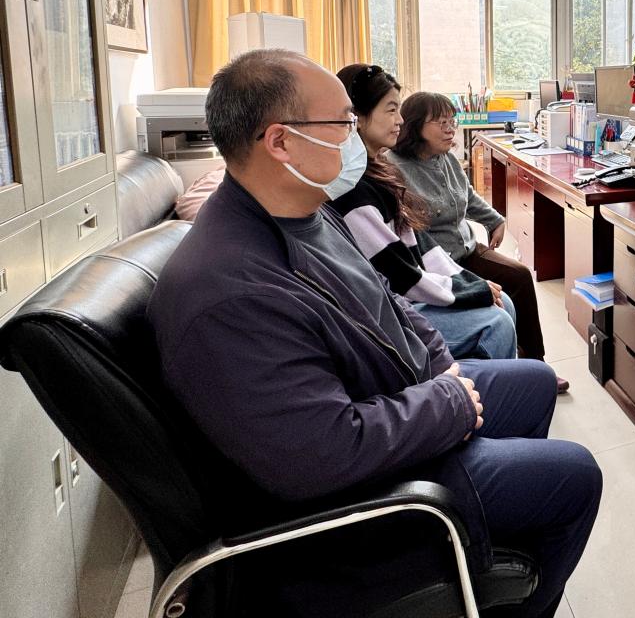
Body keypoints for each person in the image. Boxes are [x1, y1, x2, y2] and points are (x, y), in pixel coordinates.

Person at [147, 50, 601, 618]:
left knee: (531, 380)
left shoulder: (306, 213)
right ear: (281, 142)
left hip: (391, 394)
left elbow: (388, 298)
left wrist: (440, 364)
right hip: (363, 496)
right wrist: (449, 402)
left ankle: (491, 558)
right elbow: (323, 453)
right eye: (342, 122)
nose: (356, 137)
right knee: (575, 475)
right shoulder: (230, 294)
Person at [329, 63, 517, 360]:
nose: (400, 120)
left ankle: (509, 375)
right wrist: (467, 290)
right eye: (391, 110)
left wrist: (470, 284)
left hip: (414, 286)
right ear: (357, 118)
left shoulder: (380, 172)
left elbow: (420, 244)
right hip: (390, 308)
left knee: (504, 300)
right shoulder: (356, 187)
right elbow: (400, 273)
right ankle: (471, 386)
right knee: (497, 322)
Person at [389, 92, 568, 393]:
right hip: (436, 262)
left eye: (453, 121)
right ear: (415, 126)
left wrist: (495, 219)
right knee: (498, 302)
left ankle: (534, 362)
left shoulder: (446, 159)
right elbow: (409, 235)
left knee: (519, 276)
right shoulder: (395, 169)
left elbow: (468, 197)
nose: (451, 129)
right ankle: (505, 370)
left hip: (465, 248)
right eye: (441, 123)